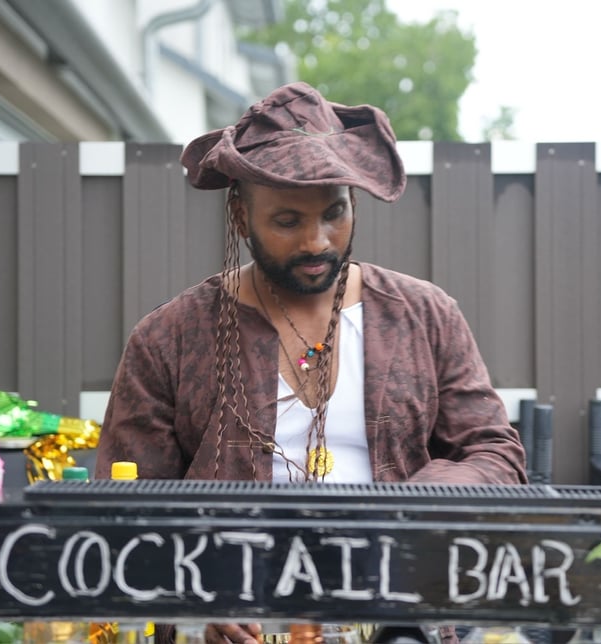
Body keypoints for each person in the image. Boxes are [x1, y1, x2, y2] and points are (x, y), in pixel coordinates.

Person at [95, 82, 527, 644]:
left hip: (398, 620)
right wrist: (195, 589)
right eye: (287, 221)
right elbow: (122, 507)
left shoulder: (424, 314)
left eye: (335, 213)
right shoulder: (170, 337)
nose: (318, 241)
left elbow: (494, 452)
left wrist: (416, 503)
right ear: (240, 215)